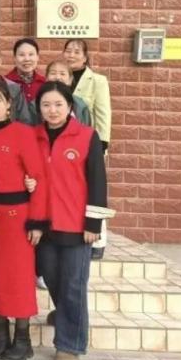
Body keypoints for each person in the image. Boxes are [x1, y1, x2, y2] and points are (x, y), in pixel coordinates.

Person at [34, 81, 109, 360]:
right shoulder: (34, 136)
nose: (52, 110)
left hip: (77, 226)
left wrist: (94, 223)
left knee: (73, 285)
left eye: (58, 105)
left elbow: (98, 182)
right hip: (44, 224)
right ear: (39, 108)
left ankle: (70, 345)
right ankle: (67, 315)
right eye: (46, 105)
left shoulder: (87, 136)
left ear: (69, 107)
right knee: (52, 278)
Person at [0, 79, 47, 360]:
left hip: (18, 218)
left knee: (18, 279)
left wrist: (37, 221)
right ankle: (1, 335)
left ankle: (22, 338)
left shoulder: (23, 133)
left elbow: (38, 178)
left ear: (8, 104)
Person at [63, 39, 112, 259]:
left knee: (95, 189)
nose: (71, 55)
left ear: (85, 56)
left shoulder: (97, 80)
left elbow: (103, 113)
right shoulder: (60, 76)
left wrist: (101, 144)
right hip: (66, 146)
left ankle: (99, 239)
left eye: (76, 52)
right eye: (68, 51)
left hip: (89, 143)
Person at [44, 60, 92, 126]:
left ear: (70, 79)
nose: (58, 77)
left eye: (62, 74)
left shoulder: (81, 105)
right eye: (53, 73)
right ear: (46, 78)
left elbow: (86, 129)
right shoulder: (35, 105)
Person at [5, 38, 46, 106]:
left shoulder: (44, 83)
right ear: (14, 58)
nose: (27, 59)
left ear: (37, 57)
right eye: (22, 55)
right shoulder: (5, 82)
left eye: (31, 54)